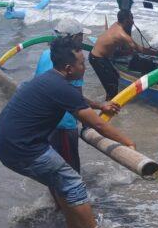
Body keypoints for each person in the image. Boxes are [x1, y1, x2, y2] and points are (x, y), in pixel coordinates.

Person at [0, 36, 136, 228]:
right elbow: (97, 124)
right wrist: (128, 143)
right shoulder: (61, 87)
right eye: (82, 64)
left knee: (60, 180)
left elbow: (75, 99)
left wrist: (99, 105)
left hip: (6, 143)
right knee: (73, 182)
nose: (85, 67)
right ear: (69, 69)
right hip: (22, 148)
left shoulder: (50, 79)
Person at [34, 18, 119, 210]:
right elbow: (76, 99)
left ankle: (59, 206)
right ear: (73, 38)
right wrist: (101, 107)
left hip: (44, 124)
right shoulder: (73, 63)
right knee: (71, 173)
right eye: (81, 37)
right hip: (62, 125)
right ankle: (71, 214)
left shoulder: (45, 55)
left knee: (55, 169)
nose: (82, 41)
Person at [89, 9, 158, 100]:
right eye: (132, 18)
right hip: (97, 59)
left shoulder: (116, 24)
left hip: (99, 56)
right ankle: (108, 107)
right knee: (112, 86)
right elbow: (139, 49)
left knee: (114, 77)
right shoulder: (122, 35)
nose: (133, 21)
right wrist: (156, 53)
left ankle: (109, 102)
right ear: (126, 21)